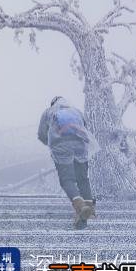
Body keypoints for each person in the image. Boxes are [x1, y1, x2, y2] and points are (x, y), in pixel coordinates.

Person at [38, 96, 96, 229]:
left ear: (53, 103)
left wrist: (52, 143)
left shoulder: (49, 112)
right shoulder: (76, 111)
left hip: (61, 147)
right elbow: (85, 128)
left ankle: (81, 206)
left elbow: (42, 134)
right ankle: (86, 212)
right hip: (81, 147)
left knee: (67, 180)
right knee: (82, 179)